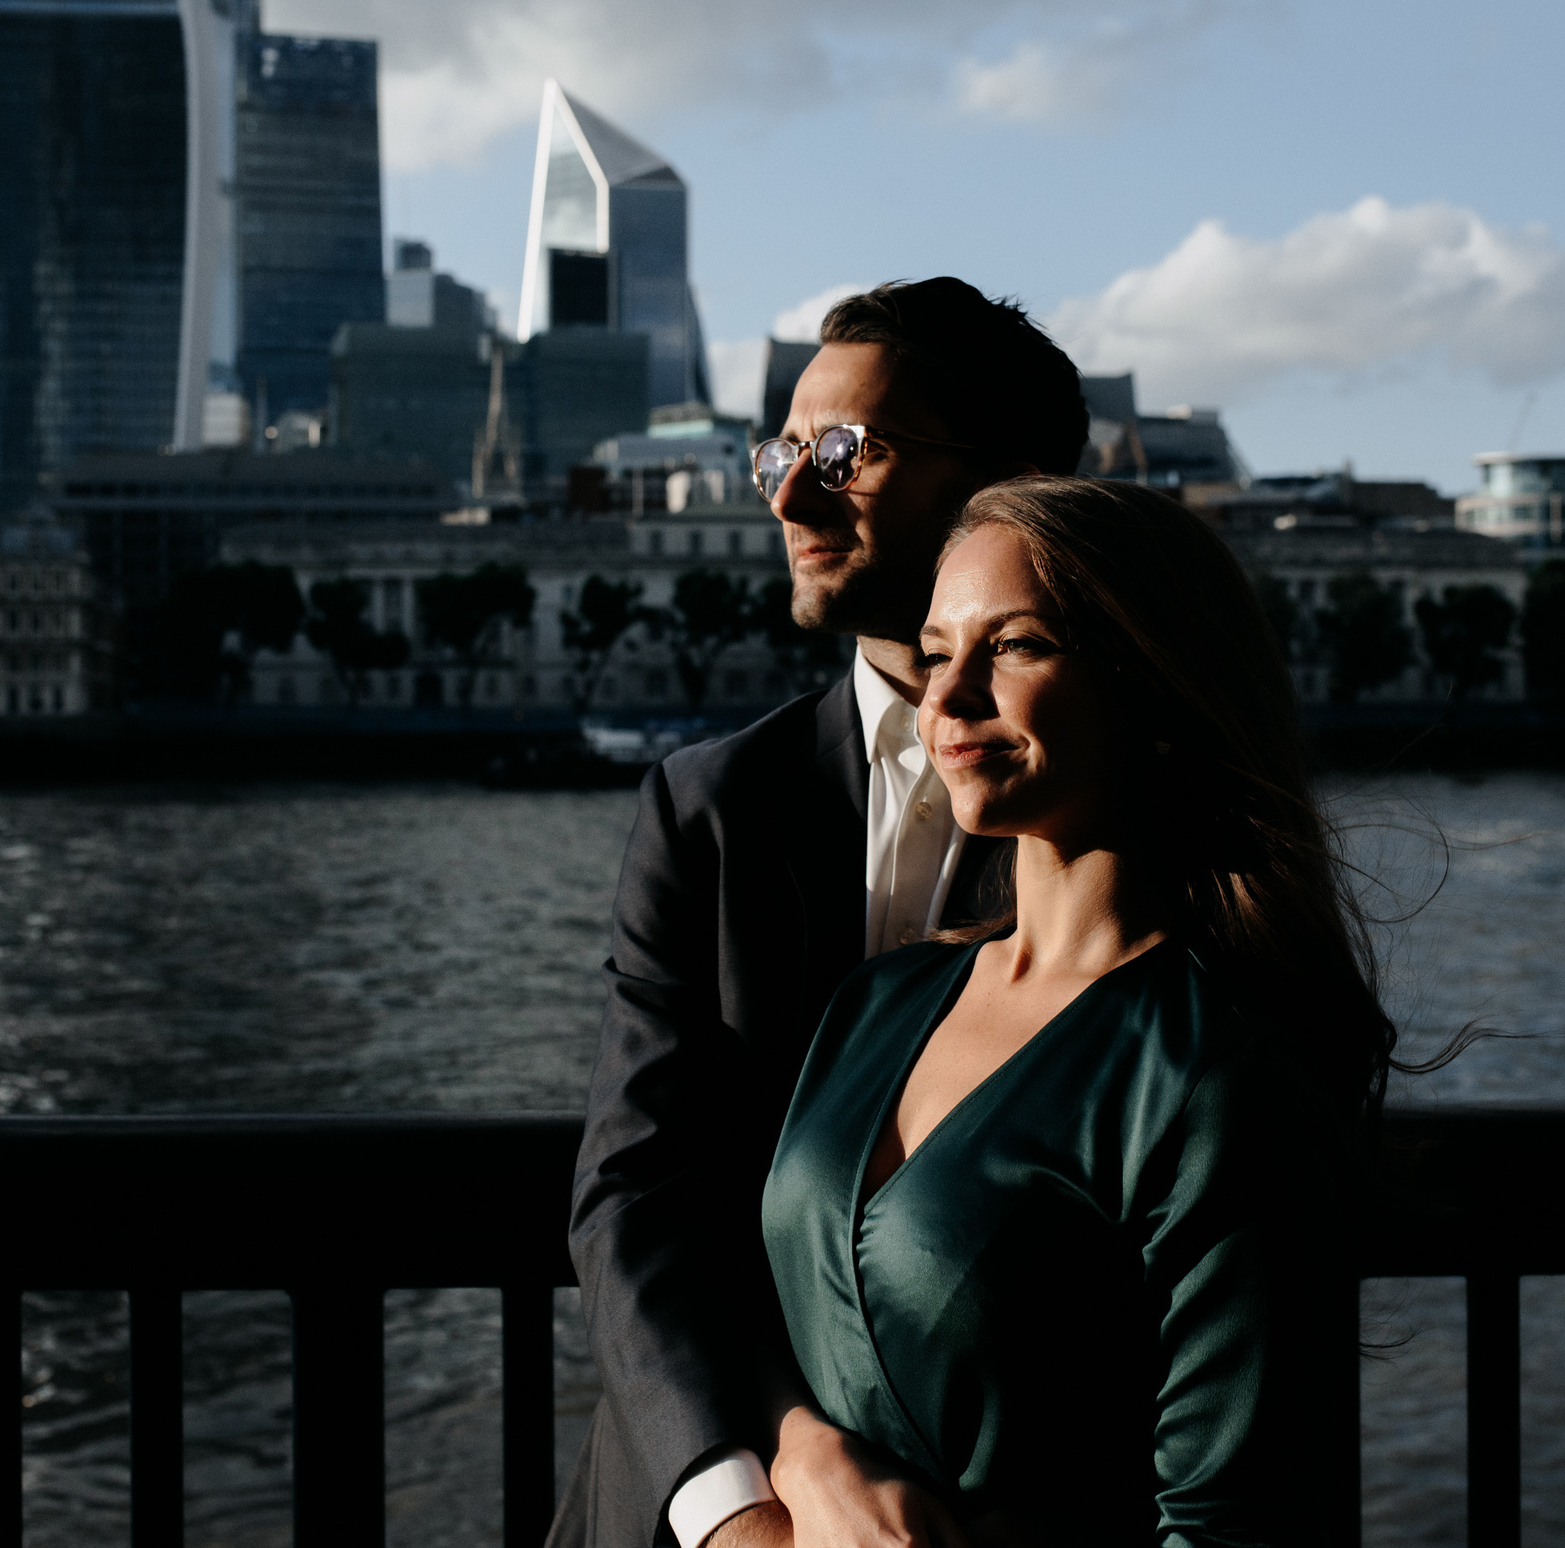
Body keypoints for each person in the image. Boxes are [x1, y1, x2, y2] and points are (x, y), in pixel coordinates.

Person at [551, 280, 1093, 1548]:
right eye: (781, 453)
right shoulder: (709, 809)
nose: (790, 497)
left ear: (1008, 486)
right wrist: (758, 1485)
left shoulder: (1131, 816)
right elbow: (637, 1197)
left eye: (846, 453)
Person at [760, 476, 1394, 1545]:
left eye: (1015, 646)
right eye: (937, 651)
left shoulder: (1210, 1075)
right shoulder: (879, 999)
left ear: (1154, 682)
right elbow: (773, 1309)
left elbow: (1235, 1524)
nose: (948, 697)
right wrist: (801, 1449)